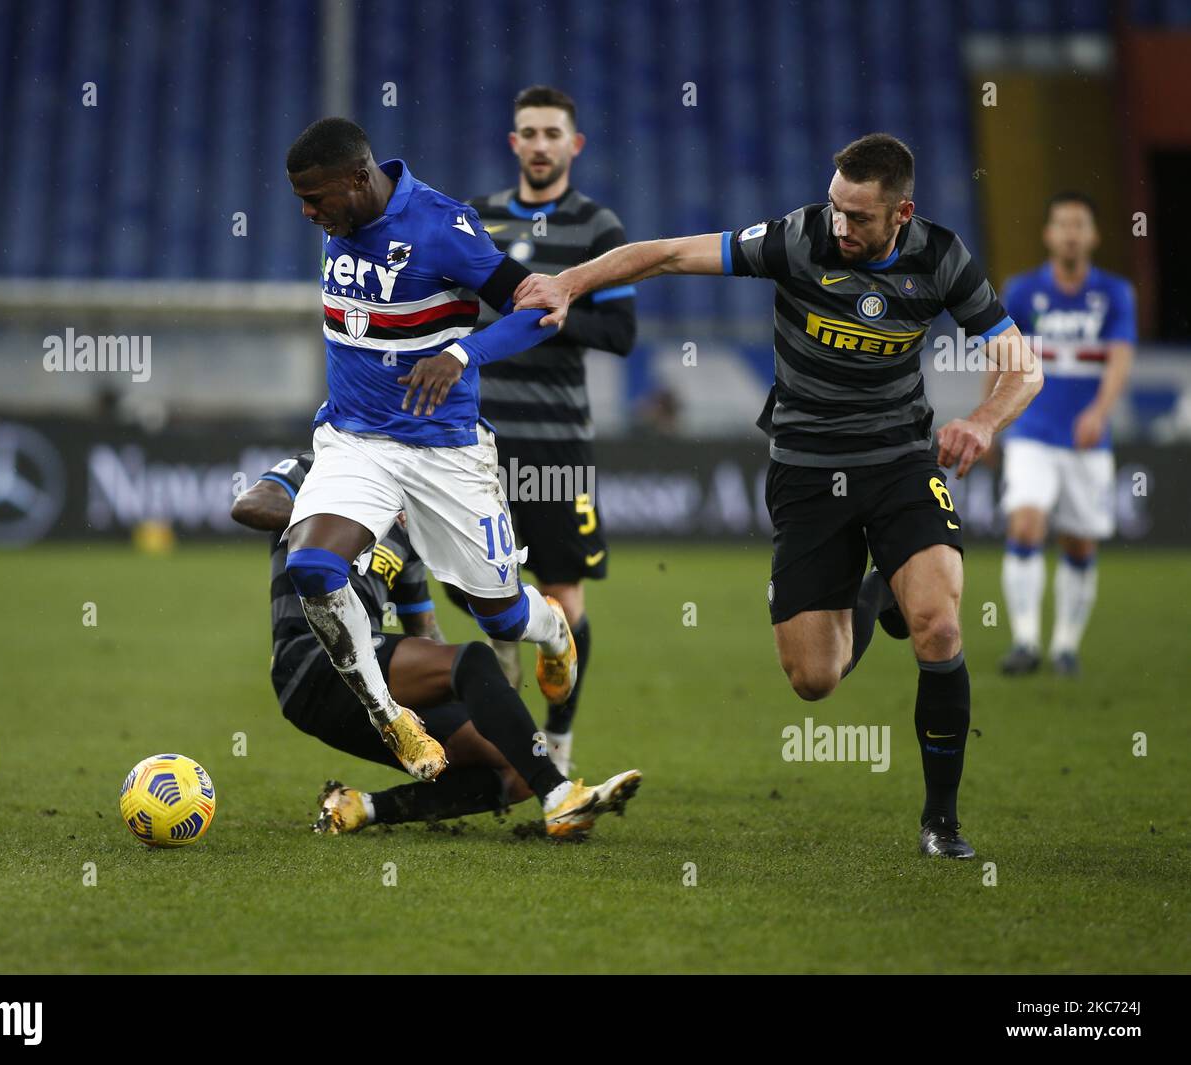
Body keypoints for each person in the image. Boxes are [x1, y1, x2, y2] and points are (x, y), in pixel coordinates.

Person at [515, 133, 1043, 858]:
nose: (840, 226)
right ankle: (877, 594)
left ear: (902, 213)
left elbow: (1023, 366)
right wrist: (569, 284)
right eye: (835, 208)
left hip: (900, 463)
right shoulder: (795, 239)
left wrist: (984, 421)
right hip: (806, 470)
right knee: (814, 679)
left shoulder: (942, 257)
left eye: (858, 216)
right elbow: (666, 252)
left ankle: (941, 822)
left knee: (941, 628)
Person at [280, 117, 581, 784]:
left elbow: (539, 310)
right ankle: (391, 716)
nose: (307, 212)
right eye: (300, 199)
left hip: (444, 450)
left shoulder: (444, 226)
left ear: (359, 179)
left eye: (316, 197)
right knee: (312, 567)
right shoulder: (342, 218)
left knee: (497, 613)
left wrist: (461, 351)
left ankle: (552, 627)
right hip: (355, 440)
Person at [232, 453, 642, 839]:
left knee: (517, 766)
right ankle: (559, 798)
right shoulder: (320, 466)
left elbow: (425, 634)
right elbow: (248, 505)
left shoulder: (407, 522)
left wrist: (487, 704)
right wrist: (332, 519)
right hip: (309, 664)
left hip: (366, 689)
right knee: (473, 658)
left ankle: (359, 808)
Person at [462, 85, 637, 774]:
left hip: (558, 441)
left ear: (574, 144)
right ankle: (515, 732)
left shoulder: (599, 229)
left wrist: (561, 317)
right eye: (527, 132)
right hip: (476, 441)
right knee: (479, 585)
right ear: (514, 143)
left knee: (564, 594)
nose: (539, 144)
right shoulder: (475, 219)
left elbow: (621, 333)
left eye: (551, 133)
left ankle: (558, 743)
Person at [992, 192, 1136, 677]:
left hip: (1086, 440)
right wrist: (991, 418)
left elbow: (1119, 357)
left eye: (1079, 225)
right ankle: (1026, 640)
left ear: (1092, 236)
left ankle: (1066, 646)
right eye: (1062, 224)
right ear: (1049, 235)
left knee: (1078, 544)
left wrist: (1100, 411)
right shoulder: (1022, 291)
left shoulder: (1114, 294)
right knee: (1026, 525)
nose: (1071, 233)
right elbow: (1003, 357)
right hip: (1032, 431)